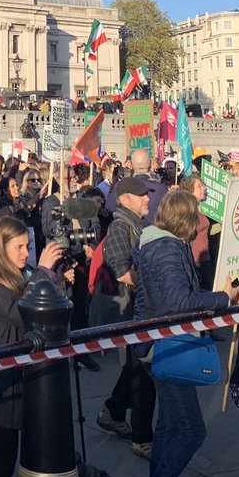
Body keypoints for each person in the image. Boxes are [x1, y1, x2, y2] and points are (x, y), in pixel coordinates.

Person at [133, 190, 239, 477]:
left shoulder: (161, 243)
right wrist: (224, 297)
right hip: (167, 345)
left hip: (159, 342)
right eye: (196, 216)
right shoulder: (167, 249)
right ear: (185, 220)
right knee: (191, 430)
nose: (200, 223)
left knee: (169, 425)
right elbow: (178, 302)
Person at [0, 215, 64, 477]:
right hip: (1, 386)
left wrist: (56, 280)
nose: (26, 253)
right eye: (19, 248)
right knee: (2, 466)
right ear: (2, 249)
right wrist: (43, 273)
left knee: (36, 462)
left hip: (28, 380)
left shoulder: (21, 274)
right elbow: (21, 312)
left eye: (28, 246)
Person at [94, 177, 155, 457]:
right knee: (143, 375)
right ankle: (142, 439)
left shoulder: (140, 224)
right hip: (131, 310)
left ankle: (113, 411)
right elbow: (120, 271)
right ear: (124, 199)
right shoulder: (121, 227)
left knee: (136, 369)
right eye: (141, 195)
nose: (147, 199)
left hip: (141, 309)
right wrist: (153, 283)